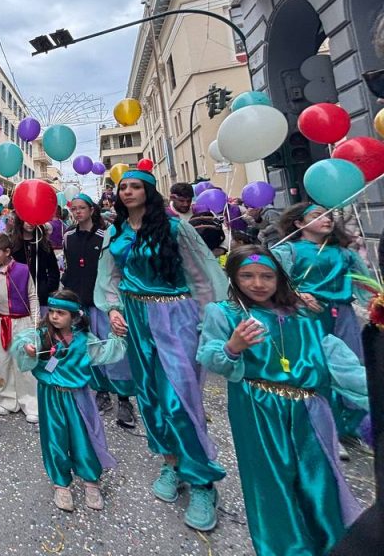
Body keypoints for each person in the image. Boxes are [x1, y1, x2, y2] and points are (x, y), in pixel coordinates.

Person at [198, 246, 366, 556]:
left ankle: (330, 545)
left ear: (280, 279)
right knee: (272, 484)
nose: (258, 284)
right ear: (233, 278)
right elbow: (210, 358)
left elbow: (341, 364)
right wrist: (232, 347)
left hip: (310, 410)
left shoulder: (303, 314)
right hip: (257, 410)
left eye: (267, 276)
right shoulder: (224, 313)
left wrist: (372, 392)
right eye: (247, 276)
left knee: (319, 482)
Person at [95, 169, 229, 532]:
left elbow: (203, 277)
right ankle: (171, 463)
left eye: (135, 186)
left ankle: (202, 481)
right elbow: (111, 278)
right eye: (122, 187)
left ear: (150, 191)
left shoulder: (174, 229)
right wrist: (114, 309)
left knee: (179, 399)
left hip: (175, 317)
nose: (127, 191)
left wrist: (207, 324)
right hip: (137, 320)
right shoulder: (116, 232)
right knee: (151, 398)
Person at [12, 290, 126, 512]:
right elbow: (23, 342)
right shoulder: (42, 334)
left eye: (61, 313)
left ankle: (91, 480)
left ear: (74, 316)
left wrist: (117, 336)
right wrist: (28, 349)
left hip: (77, 396)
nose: (54, 316)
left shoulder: (84, 340)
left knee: (83, 436)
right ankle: (60, 483)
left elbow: (107, 352)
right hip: (50, 395)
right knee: (54, 438)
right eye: (52, 311)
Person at [272, 202, 371, 448]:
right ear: (299, 223)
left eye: (328, 215)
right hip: (307, 316)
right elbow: (274, 281)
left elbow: (365, 285)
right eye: (318, 215)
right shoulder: (289, 251)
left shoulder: (344, 253)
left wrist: (376, 307)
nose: (327, 219)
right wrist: (296, 296)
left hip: (343, 314)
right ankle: (323, 426)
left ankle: (351, 425)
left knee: (352, 364)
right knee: (316, 366)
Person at [63, 193, 136, 428]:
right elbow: (70, 269)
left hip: (104, 304)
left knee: (114, 350)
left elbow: (114, 270)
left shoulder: (106, 236)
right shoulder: (68, 237)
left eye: (81, 208)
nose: (77, 212)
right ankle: (101, 391)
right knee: (90, 349)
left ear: (92, 209)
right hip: (80, 303)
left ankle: (124, 398)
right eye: (74, 209)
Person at [0, 233, 39, 423]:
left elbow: (32, 296)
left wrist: (35, 322)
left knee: (24, 362)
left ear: (7, 251)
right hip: (1, 322)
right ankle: (6, 399)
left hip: (22, 321)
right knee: (2, 362)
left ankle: (30, 402)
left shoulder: (22, 270)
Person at [9, 212, 61, 301]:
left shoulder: (44, 244)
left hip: (41, 295)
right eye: (27, 219)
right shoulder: (12, 244)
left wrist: (47, 288)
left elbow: (53, 269)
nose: (30, 223)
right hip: (19, 295)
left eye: (33, 220)